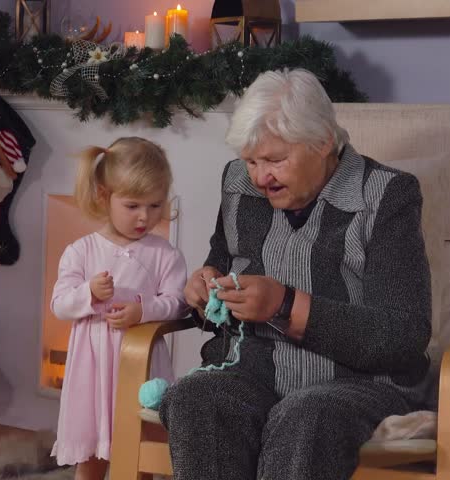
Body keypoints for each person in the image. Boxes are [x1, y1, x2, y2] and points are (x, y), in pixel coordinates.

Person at [159, 69, 432, 480]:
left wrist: (285, 305)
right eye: (250, 160)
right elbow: (221, 265)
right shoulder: (239, 185)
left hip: (353, 383)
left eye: (274, 160)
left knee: (306, 417)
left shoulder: (387, 196)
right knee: (196, 398)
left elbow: (402, 334)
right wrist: (205, 290)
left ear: (323, 142)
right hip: (251, 369)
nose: (259, 177)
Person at [50, 137, 189, 480]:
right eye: (133, 206)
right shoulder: (81, 251)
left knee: (140, 444)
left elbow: (179, 304)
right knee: (92, 447)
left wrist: (142, 311)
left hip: (140, 363)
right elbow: (60, 305)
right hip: (92, 366)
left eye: (155, 206)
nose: (145, 217)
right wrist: (89, 295)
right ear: (104, 196)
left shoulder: (164, 254)